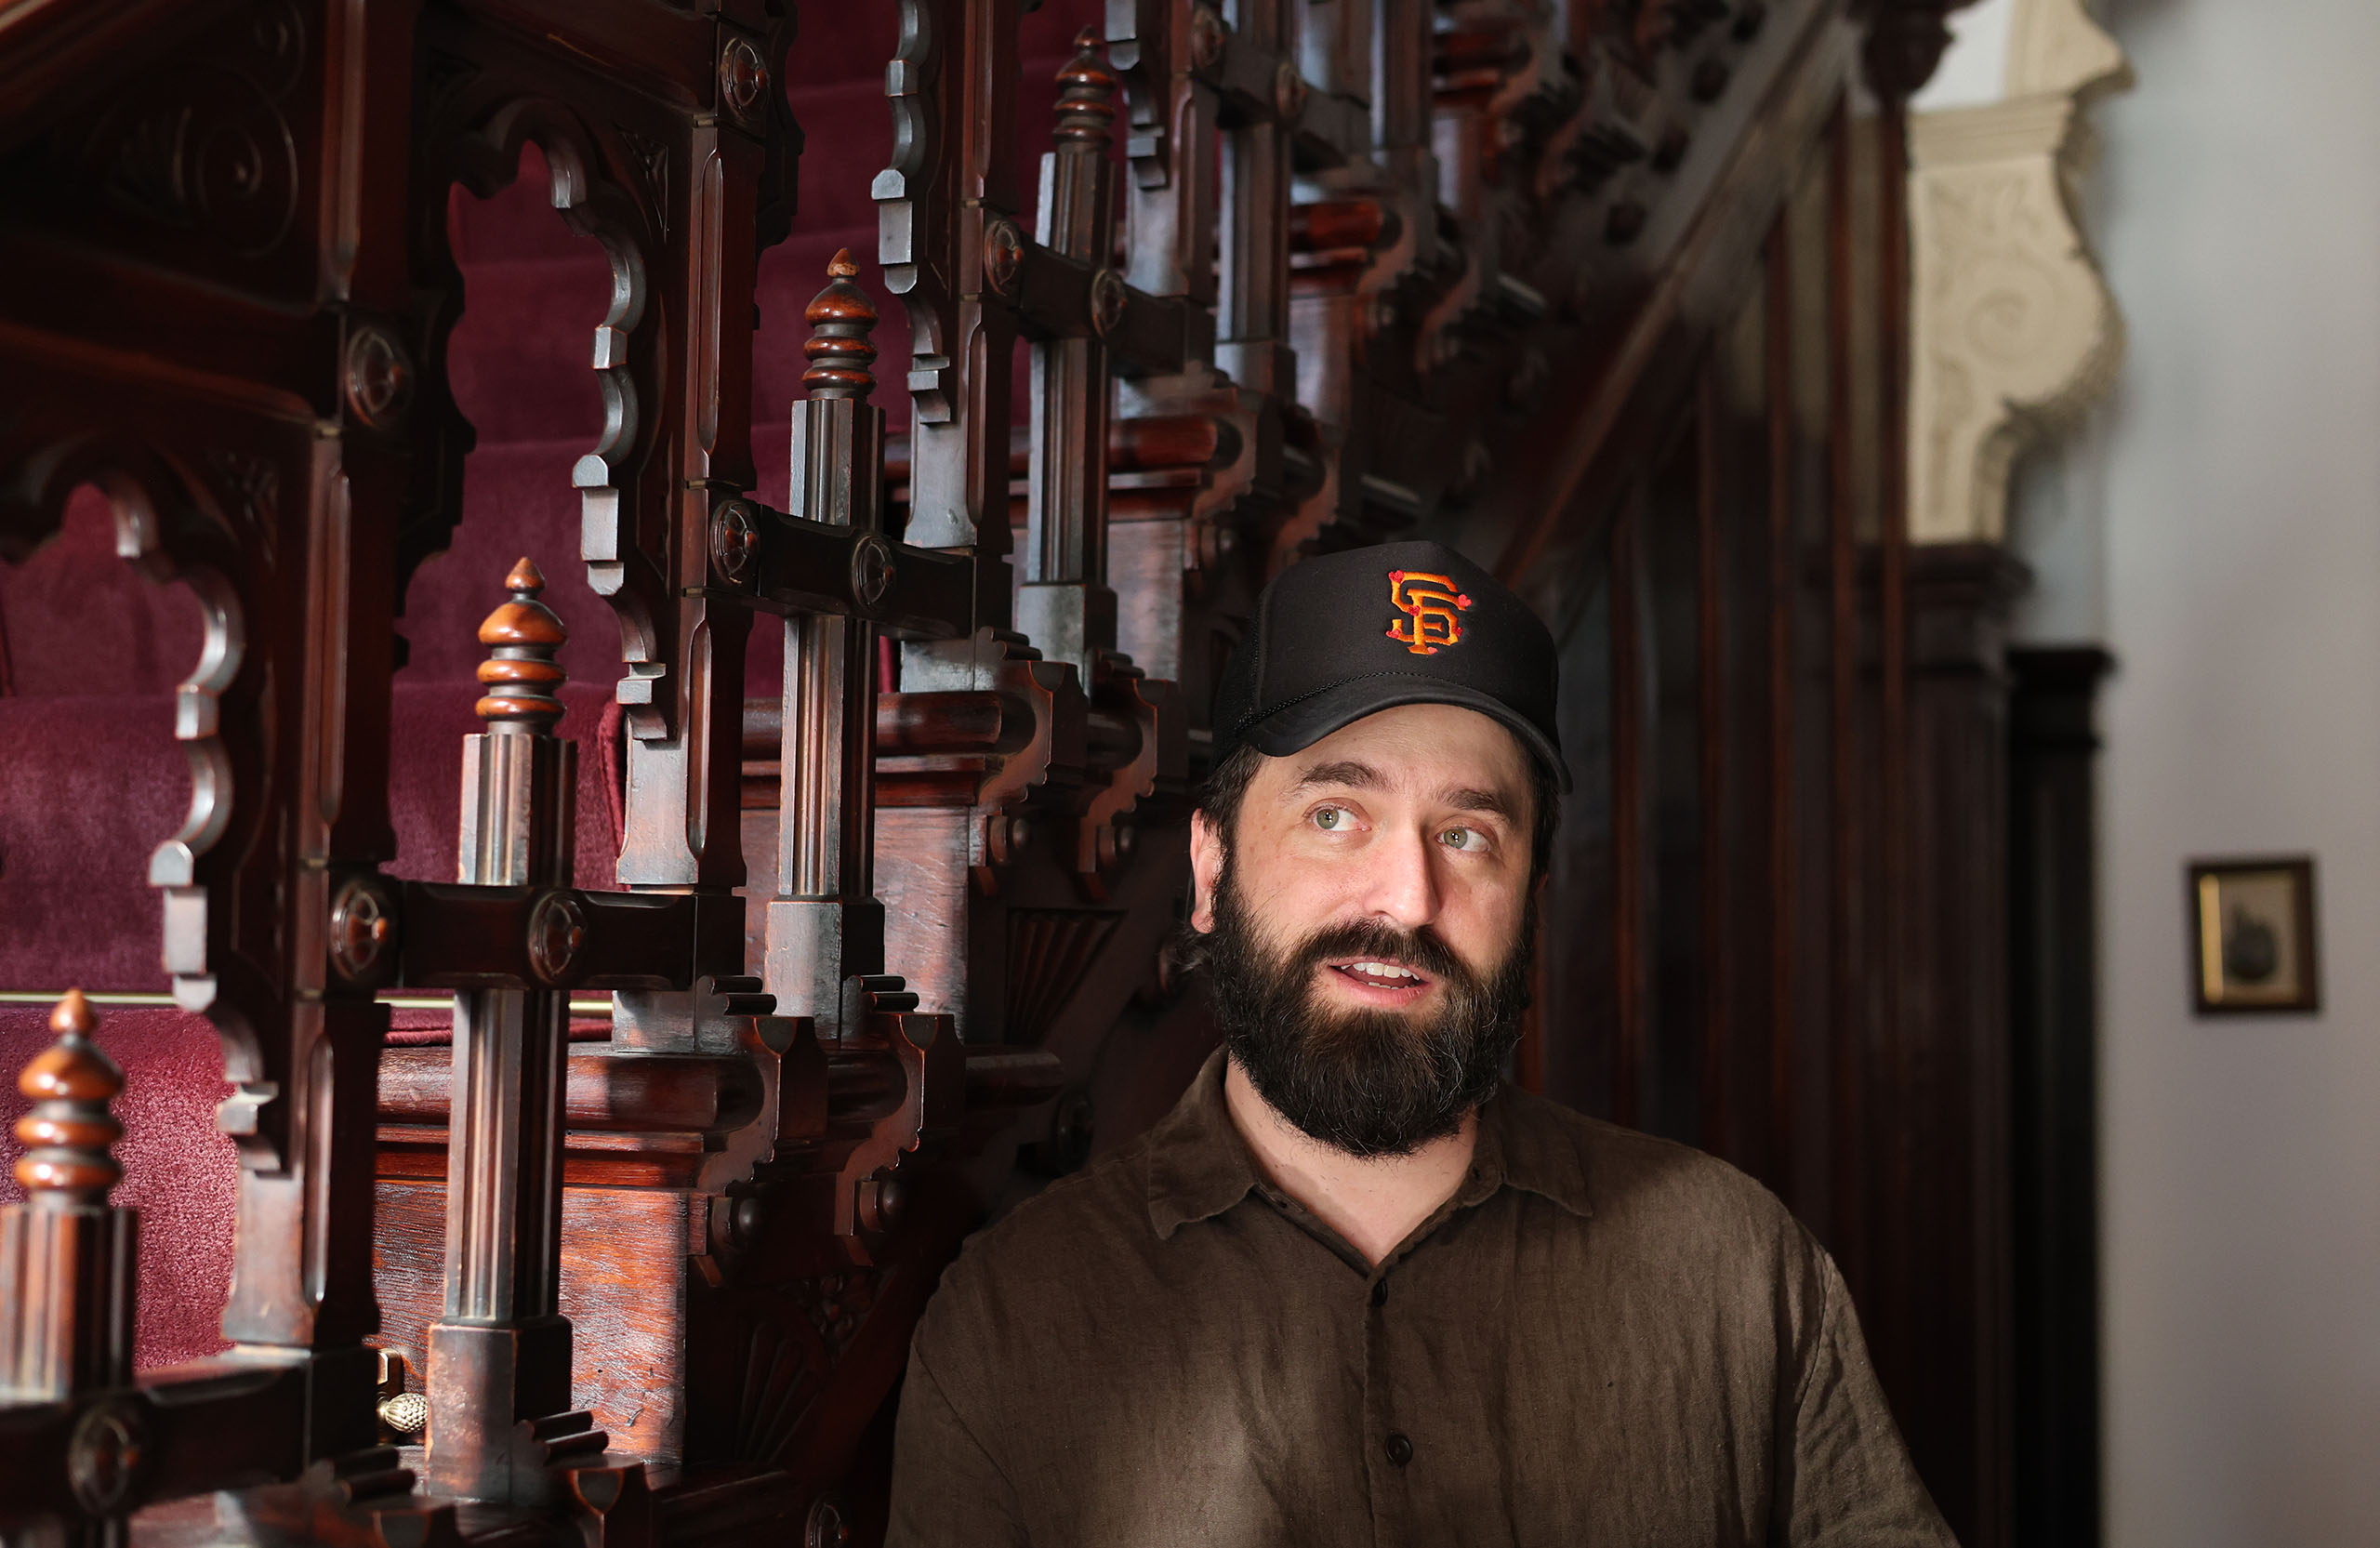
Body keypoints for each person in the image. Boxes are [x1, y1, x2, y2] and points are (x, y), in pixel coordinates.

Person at [885, 540, 1955, 1546]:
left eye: (1465, 835)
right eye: (1336, 816)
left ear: (1529, 897)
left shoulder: (1736, 1269)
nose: (1406, 898)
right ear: (1211, 870)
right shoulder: (1015, 1319)